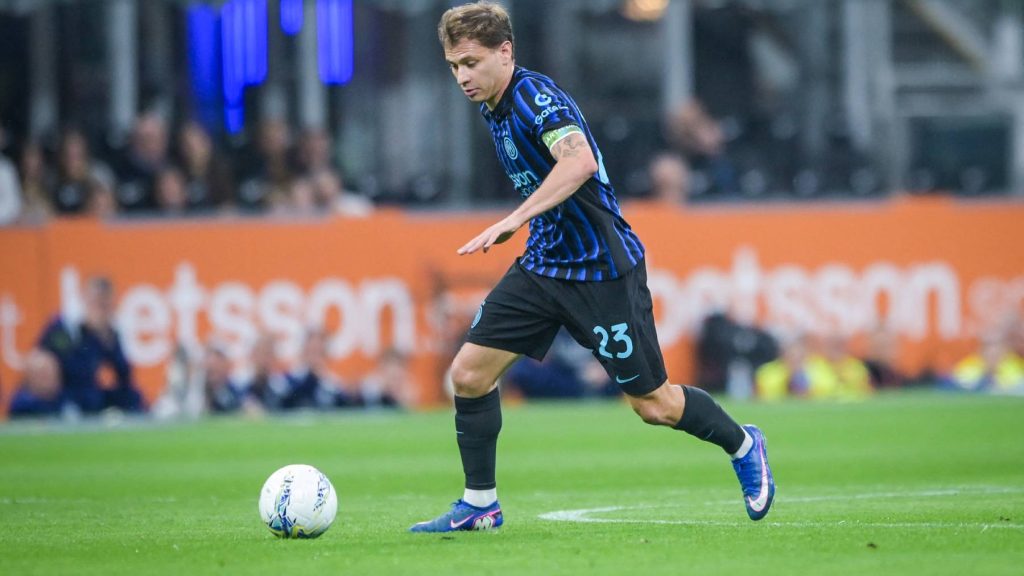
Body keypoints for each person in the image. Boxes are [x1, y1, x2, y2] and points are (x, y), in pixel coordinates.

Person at [410, 2, 775, 533]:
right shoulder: (494, 104)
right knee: (468, 374)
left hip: (602, 269)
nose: (462, 76)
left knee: (655, 405)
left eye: (471, 62)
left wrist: (516, 218)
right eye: (453, 66)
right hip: (545, 266)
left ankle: (744, 444)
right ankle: (480, 504)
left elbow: (578, 161)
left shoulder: (534, 96)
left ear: (505, 52)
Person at [36, 276, 144, 414]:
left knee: (134, 399)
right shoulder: (66, 327)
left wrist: (106, 339)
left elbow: (124, 375)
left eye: (104, 305)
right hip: (65, 393)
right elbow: (54, 366)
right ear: (84, 300)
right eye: (95, 303)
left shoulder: (111, 330)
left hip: (91, 392)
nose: (99, 310)